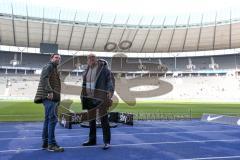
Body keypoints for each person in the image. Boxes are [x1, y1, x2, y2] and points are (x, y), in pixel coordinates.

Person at [81, 54, 114, 150]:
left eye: (93, 58)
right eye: (89, 59)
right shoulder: (86, 70)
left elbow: (109, 81)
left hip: (100, 98)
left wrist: (110, 90)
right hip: (89, 98)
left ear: (96, 60)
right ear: (87, 60)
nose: (91, 60)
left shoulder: (103, 69)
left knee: (104, 120)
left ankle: (107, 142)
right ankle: (92, 140)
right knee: (91, 120)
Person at [34, 53, 64, 152]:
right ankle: (51, 144)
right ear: (51, 58)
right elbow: (44, 79)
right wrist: (50, 91)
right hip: (49, 97)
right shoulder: (49, 66)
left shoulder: (54, 68)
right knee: (53, 120)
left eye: (59, 58)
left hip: (51, 98)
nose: (58, 59)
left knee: (47, 120)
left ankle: (45, 142)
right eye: (56, 57)